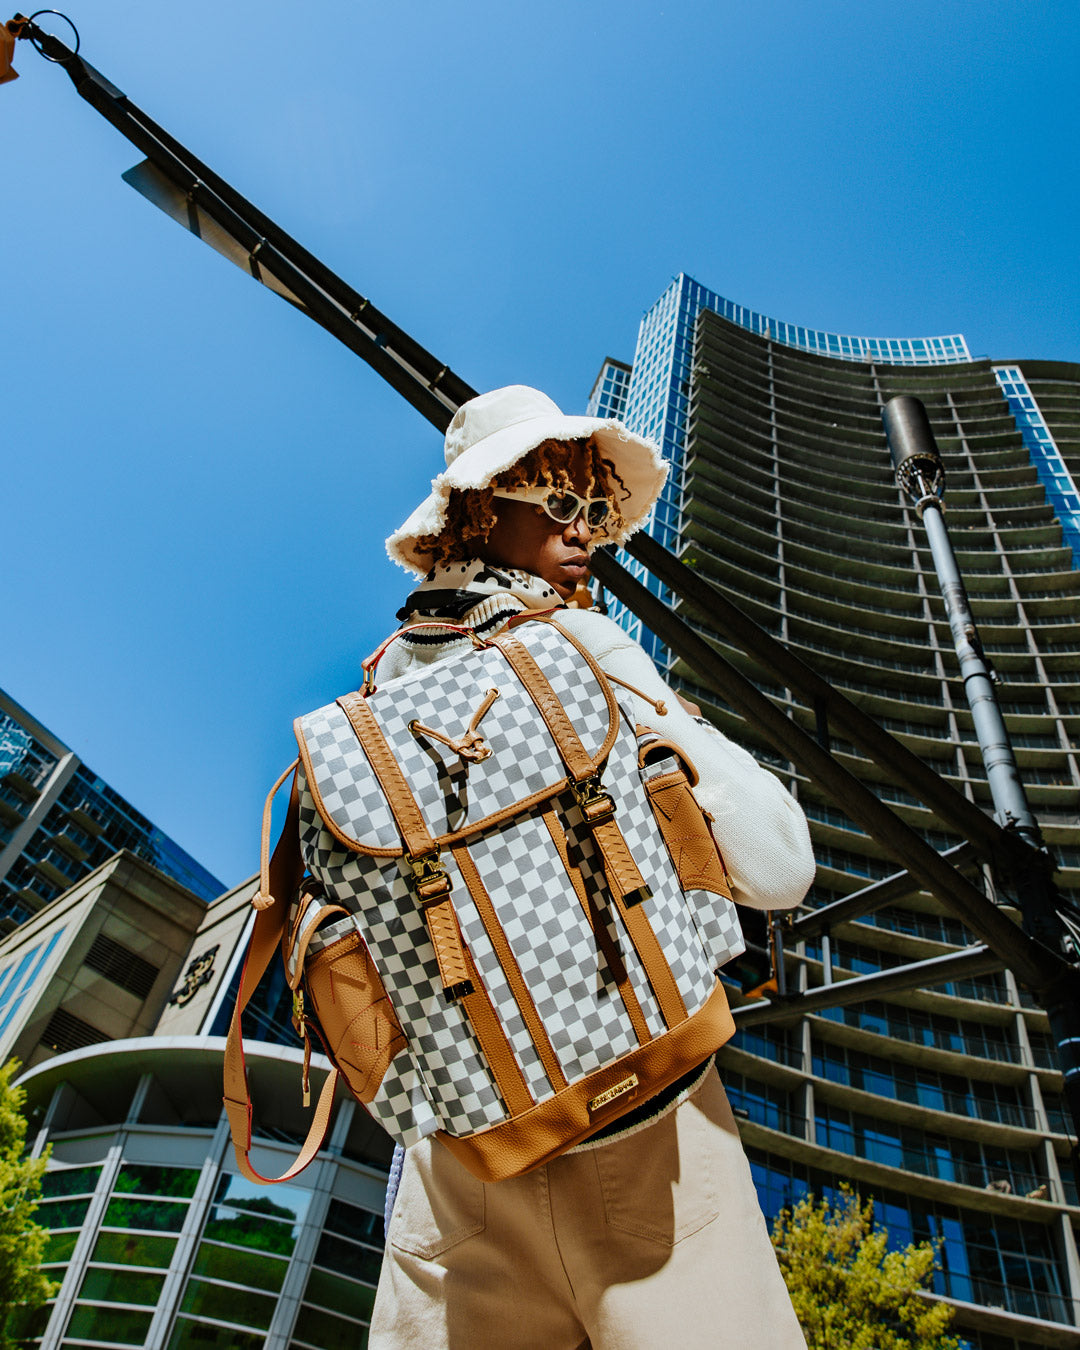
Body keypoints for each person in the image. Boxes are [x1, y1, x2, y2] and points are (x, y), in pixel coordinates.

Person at [369, 385, 815, 1349]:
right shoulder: (579, 644)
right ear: (488, 508)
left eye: (596, 512)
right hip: (641, 1111)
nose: (588, 535)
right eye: (562, 505)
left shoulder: (382, 684)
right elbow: (779, 866)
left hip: (460, 1150)